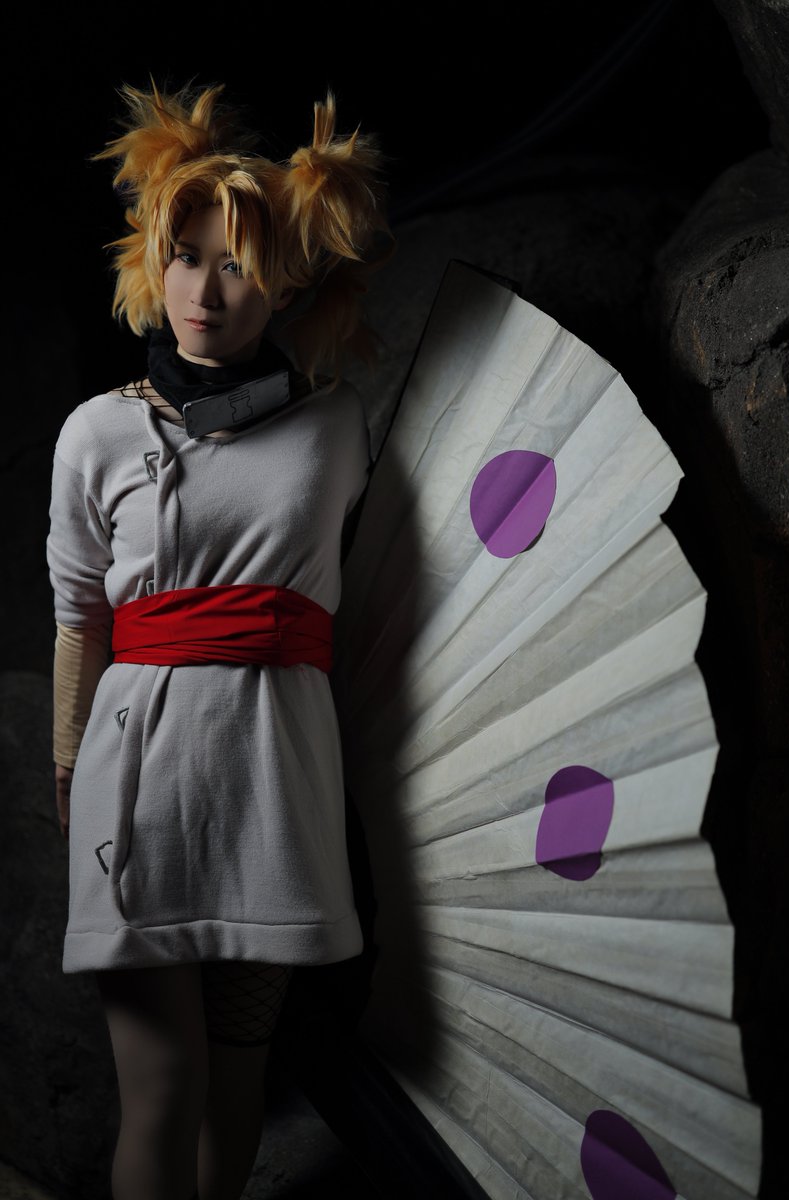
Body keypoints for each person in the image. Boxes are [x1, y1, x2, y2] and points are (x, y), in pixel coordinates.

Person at [47, 79, 389, 1200]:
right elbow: (80, 614)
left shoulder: (335, 425)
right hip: (135, 780)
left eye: (236, 263)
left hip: (277, 783)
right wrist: (67, 765)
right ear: (155, 261)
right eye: (186, 257)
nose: (204, 289)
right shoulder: (96, 432)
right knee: (163, 1087)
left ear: (284, 280)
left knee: (238, 1078)